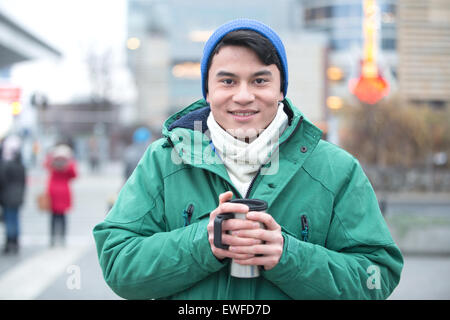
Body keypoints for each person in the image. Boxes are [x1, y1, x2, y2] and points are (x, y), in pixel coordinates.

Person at [93, 19, 403, 299]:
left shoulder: (337, 170)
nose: (243, 96)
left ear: (280, 89)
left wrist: (288, 256)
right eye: (227, 81)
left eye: (259, 81)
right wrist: (203, 242)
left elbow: (377, 276)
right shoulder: (163, 162)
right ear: (208, 91)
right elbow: (118, 263)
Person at [45, 144, 77, 247]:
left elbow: (45, 164)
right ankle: (62, 237)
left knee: (53, 217)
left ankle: (52, 238)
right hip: (64, 191)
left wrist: (52, 155)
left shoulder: (52, 162)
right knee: (63, 217)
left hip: (53, 191)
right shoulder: (67, 164)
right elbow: (74, 175)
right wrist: (69, 159)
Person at [0, 135, 26, 255]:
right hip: (18, 196)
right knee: (15, 220)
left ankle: (10, 243)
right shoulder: (21, 165)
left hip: (7, 196)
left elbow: (2, 181)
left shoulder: (6, 165)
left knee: (9, 220)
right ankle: (15, 242)